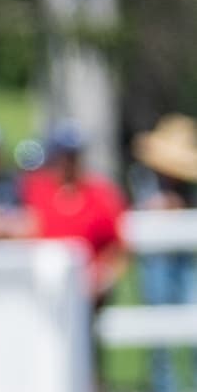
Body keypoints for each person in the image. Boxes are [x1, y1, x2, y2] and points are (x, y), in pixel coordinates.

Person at [130, 113, 197, 392]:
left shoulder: (187, 188)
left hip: (185, 261)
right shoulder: (143, 181)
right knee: (160, 331)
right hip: (157, 263)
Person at [20, 121, 128, 298]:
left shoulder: (100, 194)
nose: (68, 162)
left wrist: (103, 275)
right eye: (63, 156)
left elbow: (119, 247)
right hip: (41, 289)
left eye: (73, 156)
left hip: (88, 293)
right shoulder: (35, 190)